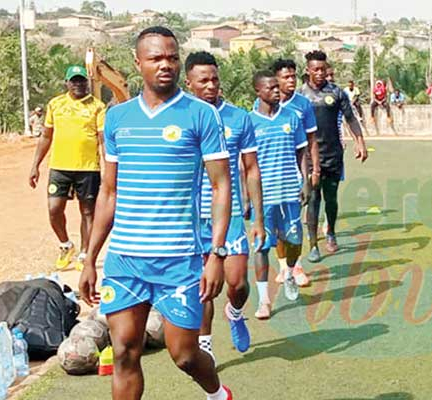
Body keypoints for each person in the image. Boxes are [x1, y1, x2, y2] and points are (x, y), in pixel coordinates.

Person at [79, 26, 234, 400]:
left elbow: (221, 187)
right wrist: (90, 258)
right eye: (155, 58)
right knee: (124, 352)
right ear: (138, 63)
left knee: (183, 355)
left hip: (180, 259)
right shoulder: (117, 119)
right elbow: (109, 191)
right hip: (126, 260)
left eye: (171, 57)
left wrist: (216, 254)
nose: (165, 65)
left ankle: (217, 394)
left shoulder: (200, 115)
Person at [185, 51, 265, 358]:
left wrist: (257, 219)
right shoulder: (182, 118)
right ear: (189, 83)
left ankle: (234, 312)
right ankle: (206, 348)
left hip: (228, 216)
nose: (210, 85)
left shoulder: (238, 117)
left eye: (215, 79)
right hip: (192, 219)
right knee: (203, 287)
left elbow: (251, 169)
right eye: (203, 80)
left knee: (237, 282)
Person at [29, 65, 106, 271]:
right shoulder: (56, 104)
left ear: (87, 82)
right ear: (67, 83)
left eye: (82, 80)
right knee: (54, 209)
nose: (79, 84)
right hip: (59, 167)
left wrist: (108, 170)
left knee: (88, 211)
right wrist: (35, 165)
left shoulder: (97, 107)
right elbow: (46, 136)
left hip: (88, 168)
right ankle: (65, 245)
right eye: (74, 80)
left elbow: (103, 140)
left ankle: (84, 254)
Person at [250, 70, 311, 319]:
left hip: (290, 191)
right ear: (258, 91)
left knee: (295, 241)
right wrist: (247, 197)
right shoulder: (249, 121)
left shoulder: (291, 117)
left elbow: (302, 152)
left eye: (278, 87)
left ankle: (289, 271)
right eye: (271, 87)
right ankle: (264, 300)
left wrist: (305, 181)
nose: (277, 91)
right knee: (261, 247)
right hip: (263, 197)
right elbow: (246, 164)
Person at [299, 50, 368, 262]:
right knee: (312, 199)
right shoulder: (300, 96)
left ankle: (331, 233)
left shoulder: (337, 93)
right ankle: (313, 245)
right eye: (315, 69)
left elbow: (351, 118)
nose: (320, 73)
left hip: (333, 155)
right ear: (308, 70)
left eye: (323, 69)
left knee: (331, 199)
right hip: (310, 159)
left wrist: (360, 142)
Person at [263, 58, 320, 291]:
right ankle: (284, 267)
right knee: (276, 227)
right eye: (286, 77)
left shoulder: (302, 105)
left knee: (294, 224)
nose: (291, 81)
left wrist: (313, 170)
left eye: (293, 76)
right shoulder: (264, 108)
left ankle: (296, 267)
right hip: (269, 178)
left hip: (295, 174)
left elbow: (311, 140)